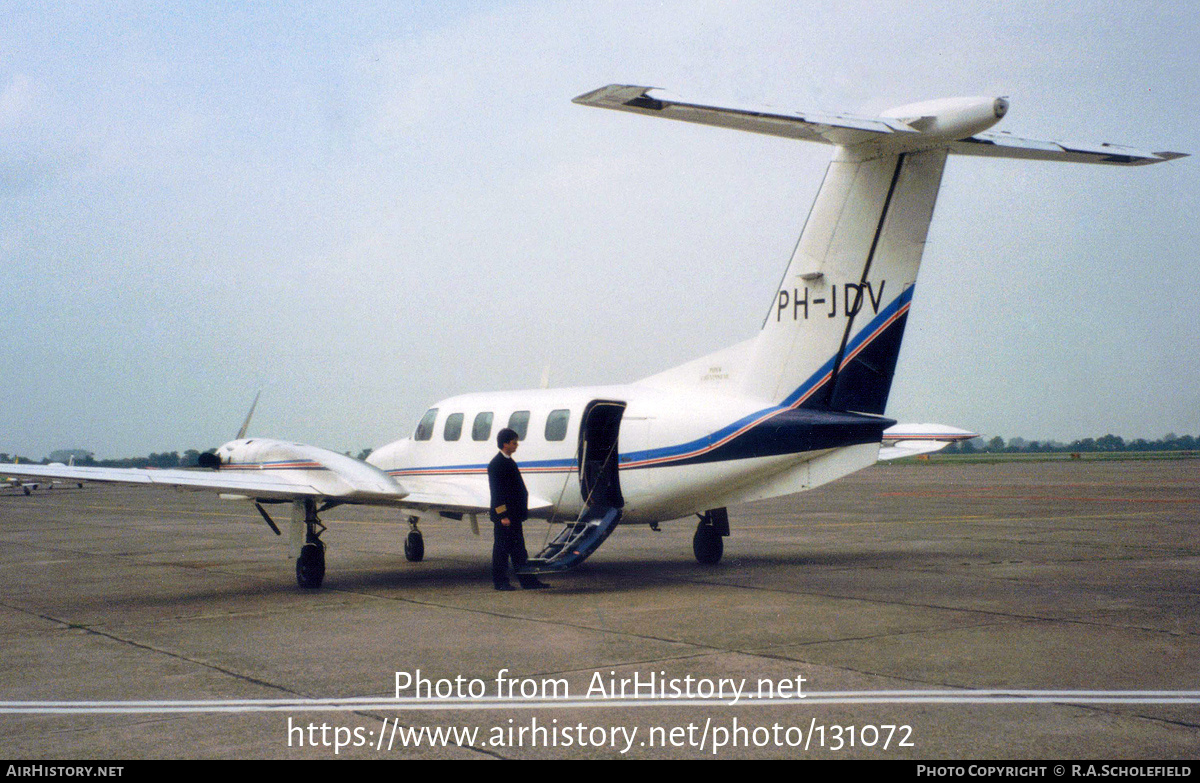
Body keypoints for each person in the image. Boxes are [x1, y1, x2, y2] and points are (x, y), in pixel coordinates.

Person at [488, 428, 549, 591]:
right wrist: (503, 515)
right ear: (505, 443)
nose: (517, 445)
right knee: (501, 550)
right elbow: (497, 493)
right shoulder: (496, 464)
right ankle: (500, 582)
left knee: (519, 550)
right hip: (506, 517)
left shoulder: (508, 461)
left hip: (514, 515)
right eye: (514, 442)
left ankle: (528, 581)